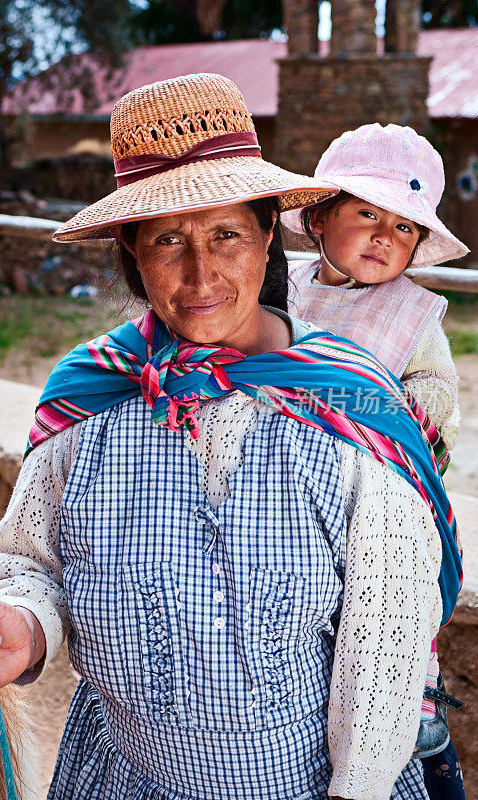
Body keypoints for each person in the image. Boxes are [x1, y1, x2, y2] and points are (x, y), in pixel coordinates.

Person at [0, 74, 461, 800]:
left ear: (270, 231)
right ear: (131, 248)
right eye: (167, 241)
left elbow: (385, 645)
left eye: (227, 235)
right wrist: (22, 626)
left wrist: (359, 787)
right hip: (124, 778)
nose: (201, 272)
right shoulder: (90, 400)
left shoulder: (348, 407)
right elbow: (34, 565)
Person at [282, 124, 468, 800]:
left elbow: (440, 385)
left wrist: (422, 404)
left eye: (404, 227)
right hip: (287, 485)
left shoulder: (413, 314)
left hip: (376, 488)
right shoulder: (284, 290)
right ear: (321, 215)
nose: (385, 236)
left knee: (393, 601)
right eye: (366, 214)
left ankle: (417, 715)